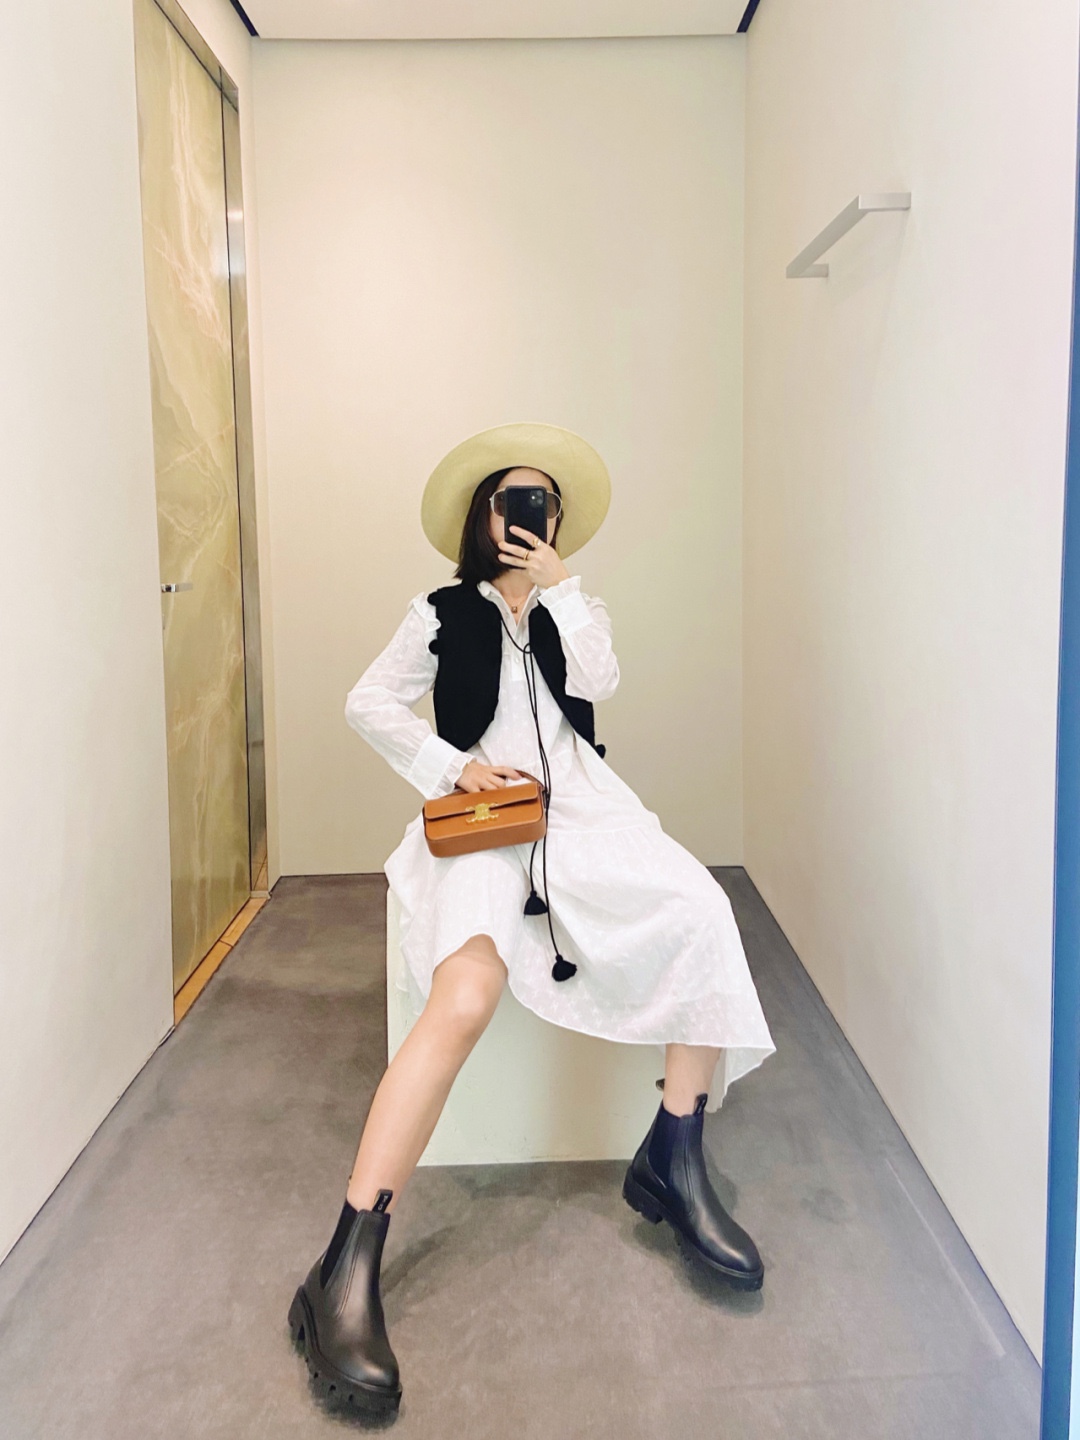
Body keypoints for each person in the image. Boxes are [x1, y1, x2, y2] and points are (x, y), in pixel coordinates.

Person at [288, 421, 776, 1417]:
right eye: (510, 501)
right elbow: (367, 702)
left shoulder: (571, 606)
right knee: (465, 996)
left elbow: (600, 684)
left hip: (584, 811)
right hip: (482, 820)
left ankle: (675, 1156)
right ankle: (343, 1262)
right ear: (481, 517)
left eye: (541, 504)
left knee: (702, 908)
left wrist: (562, 588)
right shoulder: (438, 611)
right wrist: (451, 765)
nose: (525, 516)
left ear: (555, 522)